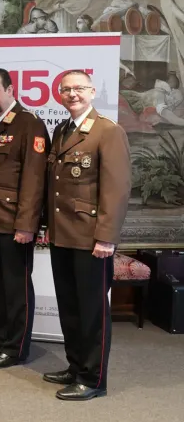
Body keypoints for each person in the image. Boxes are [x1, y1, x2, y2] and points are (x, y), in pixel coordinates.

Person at [43, 70, 131, 401]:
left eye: (79, 88)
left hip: (92, 239)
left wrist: (106, 237)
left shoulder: (108, 131)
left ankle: (93, 379)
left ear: (92, 92)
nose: (72, 94)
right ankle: (76, 366)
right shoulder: (62, 130)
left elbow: (117, 189)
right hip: (62, 234)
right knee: (70, 306)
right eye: (66, 89)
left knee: (92, 311)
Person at [0, 68, 49, 368]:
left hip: (13, 222)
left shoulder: (29, 123)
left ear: (11, 90)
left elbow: (34, 179)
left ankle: (15, 348)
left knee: (16, 288)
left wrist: (27, 224)